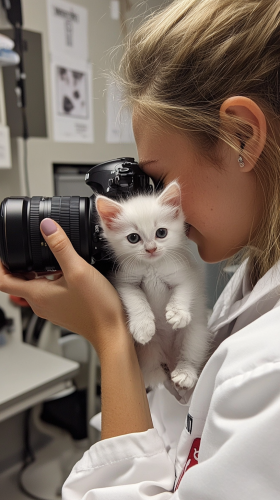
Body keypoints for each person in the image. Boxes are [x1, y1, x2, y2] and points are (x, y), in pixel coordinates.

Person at [1, 0, 280, 497]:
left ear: (241, 136)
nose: (151, 202)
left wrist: (111, 334)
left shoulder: (270, 367)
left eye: (155, 177)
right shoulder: (256, 272)